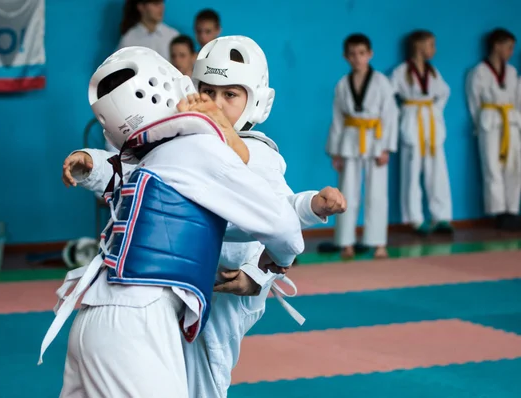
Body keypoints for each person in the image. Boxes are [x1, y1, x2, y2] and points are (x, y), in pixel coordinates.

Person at [63, 36, 347, 398]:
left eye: (230, 95)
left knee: (206, 380)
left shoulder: (256, 153)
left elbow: (282, 211)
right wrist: (91, 164)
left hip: (229, 286)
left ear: (257, 100)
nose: (216, 103)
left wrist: (267, 265)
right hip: (175, 285)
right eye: (208, 91)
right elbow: (139, 169)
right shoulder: (185, 140)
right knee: (166, 371)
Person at [326, 34, 398, 259]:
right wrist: (335, 151)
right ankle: (346, 242)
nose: (357, 58)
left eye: (362, 53)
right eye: (352, 54)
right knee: (347, 193)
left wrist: (386, 147)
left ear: (370, 54)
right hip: (349, 139)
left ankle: (378, 243)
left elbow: (390, 115)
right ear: (345, 57)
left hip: (375, 140)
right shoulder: (342, 84)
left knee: (377, 194)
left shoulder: (381, 82)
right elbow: (337, 118)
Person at [391, 30, 454, 236]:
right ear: (419, 46)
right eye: (431, 45)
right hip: (412, 123)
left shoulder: (433, 72)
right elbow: (389, 97)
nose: (434, 49)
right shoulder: (401, 71)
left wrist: (434, 110)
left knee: (438, 171)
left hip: (431, 124)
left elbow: (444, 92)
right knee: (411, 173)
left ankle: (442, 216)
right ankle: (415, 219)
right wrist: (405, 112)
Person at [466, 28, 521, 231]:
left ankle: (512, 210)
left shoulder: (513, 72)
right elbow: (474, 102)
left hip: (511, 121)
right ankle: (499, 212)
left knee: (515, 167)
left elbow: (517, 100)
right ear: (496, 45)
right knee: (492, 167)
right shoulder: (479, 71)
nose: (511, 52)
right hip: (489, 121)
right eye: (509, 47)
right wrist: (479, 124)